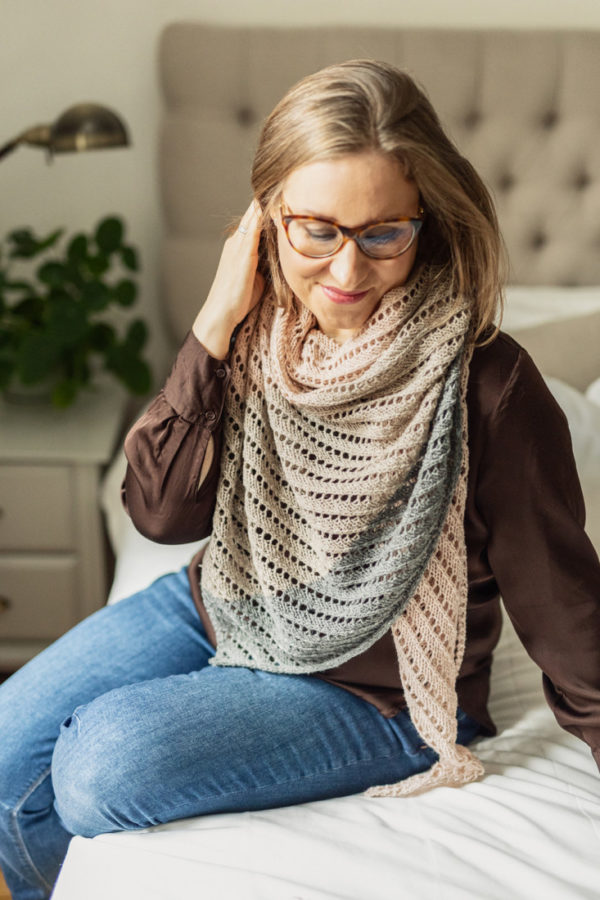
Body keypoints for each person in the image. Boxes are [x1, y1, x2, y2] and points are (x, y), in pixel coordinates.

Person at [1, 58, 599, 900]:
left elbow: (567, 613)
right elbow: (163, 518)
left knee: (97, 765)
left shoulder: (491, 383)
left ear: (427, 221)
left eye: (384, 232)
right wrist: (214, 322)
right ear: (266, 222)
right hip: (226, 601)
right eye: (316, 230)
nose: (347, 274)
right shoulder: (250, 335)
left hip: (383, 692)